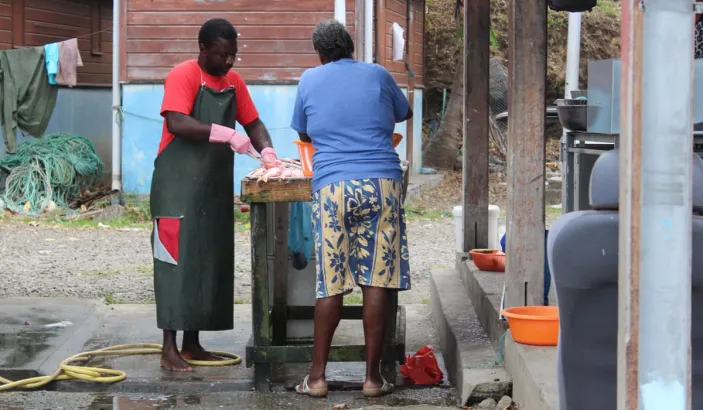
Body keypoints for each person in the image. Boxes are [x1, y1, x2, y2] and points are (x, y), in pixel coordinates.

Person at [290, 20, 413, 398]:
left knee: (331, 281)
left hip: (333, 187)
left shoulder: (309, 79)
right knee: (376, 279)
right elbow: (403, 113)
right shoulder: (377, 73)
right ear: (351, 47)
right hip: (381, 182)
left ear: (320, 54)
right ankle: (374, 379)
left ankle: (317, 378)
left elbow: (304, 132)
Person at [150, 18, 278, 372]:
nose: (229, 63)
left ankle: (192, 343)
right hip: (176, 188)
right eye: (222, 55)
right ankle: (169, 348)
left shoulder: (234, 83)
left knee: (206, 262)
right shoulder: (184, 74)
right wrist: (226, 134)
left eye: (233, 55)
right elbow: (176, 121)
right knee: (175, 263)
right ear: (203, 49)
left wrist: (266, 150)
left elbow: (252, 123)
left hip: (212, 189)